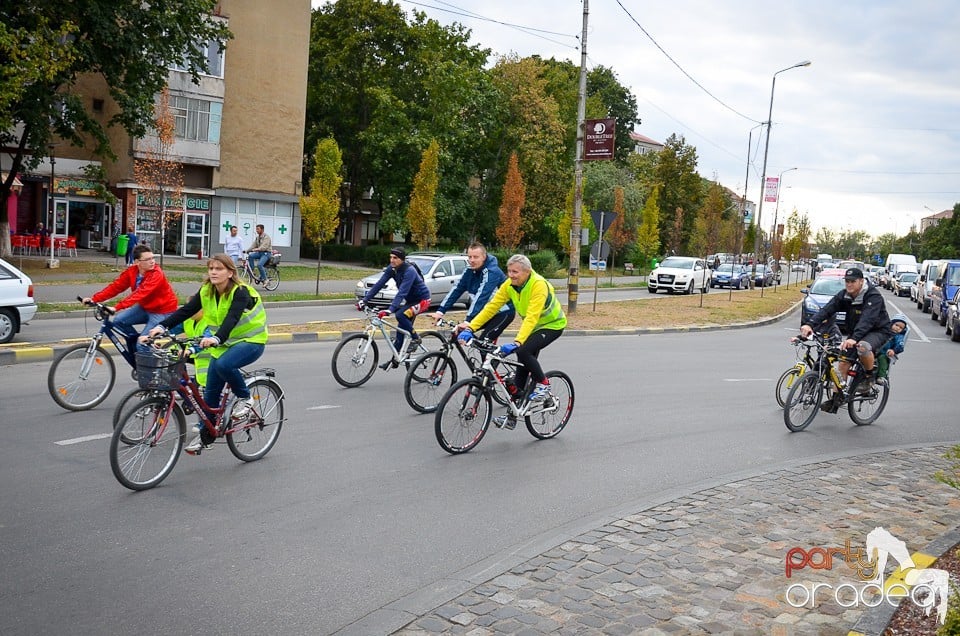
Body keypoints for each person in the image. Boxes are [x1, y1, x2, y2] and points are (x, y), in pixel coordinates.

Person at [145, 254, 268, 454]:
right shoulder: (207, 291)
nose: (213, 272)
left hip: (251, 341)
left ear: (230, 272)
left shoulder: (241, 292)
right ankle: (207, 435)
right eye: (211, 268)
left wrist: (216, 338)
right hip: (224, 343)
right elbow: (185, 311)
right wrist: (161, 326)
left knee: (223, 365)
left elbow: (232, 318)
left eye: (218, 269)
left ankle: (245, 397)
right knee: (209, 395)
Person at [457, 254, 567, 429]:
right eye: (509, 271)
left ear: (527, 271)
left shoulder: (538, 285)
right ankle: (513, 416)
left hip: (551, 325)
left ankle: (544, 384)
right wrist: (471, 327)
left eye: (515, 272)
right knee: (520, 371)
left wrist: (517, 342)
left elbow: (531, 317)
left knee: (523, 351)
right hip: (532, 327)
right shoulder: (509, 285)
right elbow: (491, 307)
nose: (511, 275)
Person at [799, 267, 891, 412]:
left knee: (863, 346)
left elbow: (867, 320)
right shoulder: (845, 295)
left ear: (861, 281)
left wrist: (854, 338)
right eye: (847, 281)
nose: (849, 284)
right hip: (857, 332)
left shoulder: (873, 296)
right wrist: (810, 324)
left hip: (878, 330)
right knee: (843, 363)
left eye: (852, 281)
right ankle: (836, 399)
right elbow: (827, 310)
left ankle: (869, 376)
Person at [83, 244, 178, 353]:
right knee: (119, 321)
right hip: (145, 308)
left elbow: (140, 293)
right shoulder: (132, 272)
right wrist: (94, 299)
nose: (152, 261)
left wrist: (116, 307)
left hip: (163, 311)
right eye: (147, 259)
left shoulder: (157, 273)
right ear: (137, 262)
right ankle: (143, 347)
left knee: (142, 344)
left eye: (153, 258)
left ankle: (149, 365)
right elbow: (116, 287)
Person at [356, 247, 431, 370]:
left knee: (400, 315)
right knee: (400, 331)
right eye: (390, 257)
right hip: (410, 301)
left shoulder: (409, 271)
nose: (392, 260)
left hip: (423, 301)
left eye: (395, 258)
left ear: (402, 259)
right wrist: (364, 300)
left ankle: (416, 338)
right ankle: (395, 360)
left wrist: (390, 309)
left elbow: (402, 292)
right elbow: (379, 285)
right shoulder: (392, 269)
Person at [431, 242, 515, 342]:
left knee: (484, 341)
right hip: (485, 313)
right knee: (458, 333)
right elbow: (457, 289)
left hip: (502, 313)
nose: (472, 260)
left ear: (484, 257)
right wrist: (440, 311)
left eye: (475, 257)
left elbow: (481, 296)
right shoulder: (469, 270)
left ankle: (491, 356)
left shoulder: (492, 272)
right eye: (469, 257)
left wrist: (468, 321)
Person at [876, 314, 908, 379]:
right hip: (876, 350)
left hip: (885, 353)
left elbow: (900, 345)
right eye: (896, 325)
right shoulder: (885, 330)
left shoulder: (898, 336)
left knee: (882, 359)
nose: (898, 328)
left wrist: (893, 350)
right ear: (891, 324)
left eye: (901, 328)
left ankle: (881, 376)